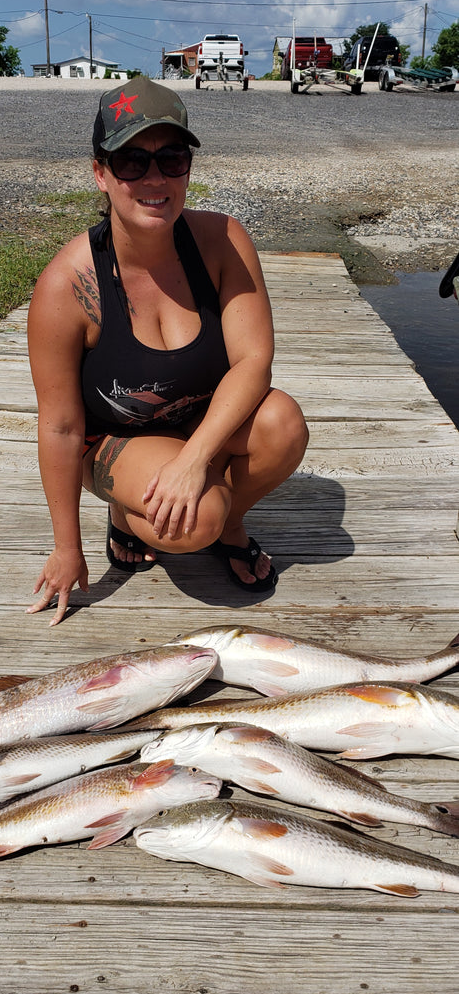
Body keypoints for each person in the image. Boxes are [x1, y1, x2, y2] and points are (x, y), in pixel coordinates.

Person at [26, 77, 308, 626]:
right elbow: (59, 428)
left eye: (171, 158)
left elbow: (253, 360)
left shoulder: (223, 241)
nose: (154, 178)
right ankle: (128, 517)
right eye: (131, 162)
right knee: (195, 515)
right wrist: (67, 547)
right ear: (100, 173)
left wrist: (194, 460)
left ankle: (229, 523)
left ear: (188, 167)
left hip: (198, 426)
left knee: (283, 424)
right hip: (113, 441)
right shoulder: (66, 287)